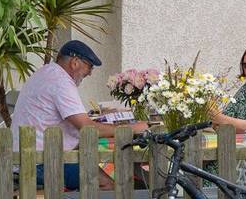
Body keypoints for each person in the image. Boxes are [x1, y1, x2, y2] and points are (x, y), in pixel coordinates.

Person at [10, 39, 146, 190]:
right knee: (109, 184)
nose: (90, 73)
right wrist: (133, 128)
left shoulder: (46, 72)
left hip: (27, 158)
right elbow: (86, 128)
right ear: (75, 62)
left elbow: (69, 117)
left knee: (105, 173)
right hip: (41, 163)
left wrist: (100, 118)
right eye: (89, 66)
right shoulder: (61, 82)